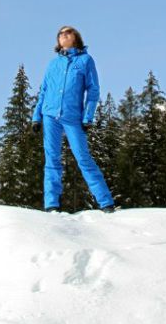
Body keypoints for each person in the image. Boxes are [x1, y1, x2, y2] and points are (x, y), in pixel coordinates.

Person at [31, 25, 117, 212]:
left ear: (76, 37)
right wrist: (36, 116)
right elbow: (44, 90)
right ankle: (51, 205)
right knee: (52, 159)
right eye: (60, 33)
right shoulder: (53, 64)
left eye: (67, 32)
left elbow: (93, 91)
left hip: (72, 117)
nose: (63, 35)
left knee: (83, 158)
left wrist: (88, 117)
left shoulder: (86, 61)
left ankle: (106, 203)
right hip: (50, 115)